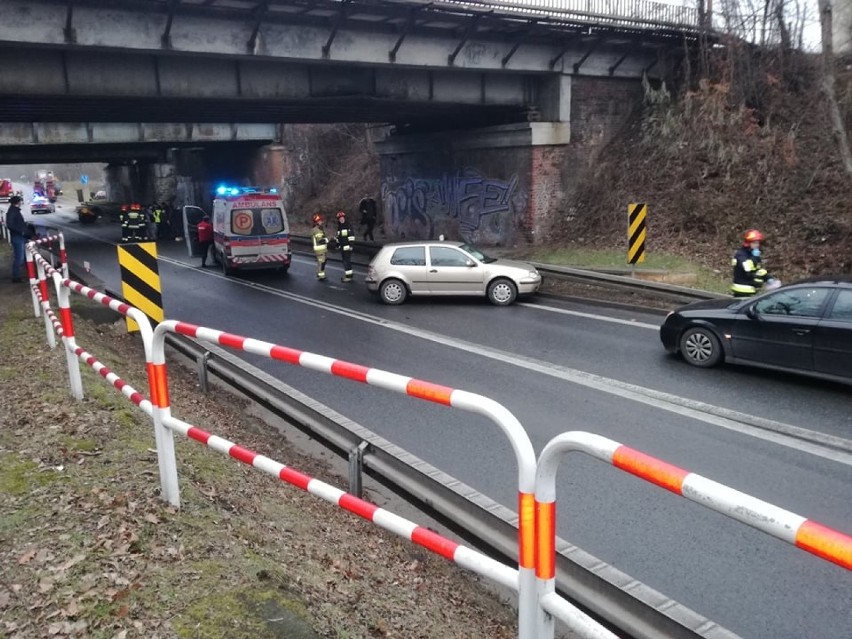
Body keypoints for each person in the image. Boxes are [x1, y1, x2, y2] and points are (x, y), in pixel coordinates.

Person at [731, 229, 769, 297]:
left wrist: (768, 278)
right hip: (741, 291)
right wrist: (755, 257)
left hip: (752, 290)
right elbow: (746, 268)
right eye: (754, 243)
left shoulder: (754, 255)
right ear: (748, 243)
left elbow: (757, 270)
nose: (757, 245)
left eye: (758, 243)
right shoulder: (741, 254)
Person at [5, 195, 29, 283]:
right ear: (17, 202)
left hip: (20, 236)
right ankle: (16, 276)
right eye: (20, 201)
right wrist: (21, 231)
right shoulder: (13, 212)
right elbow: (10, 225)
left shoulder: (14, 211)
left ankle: (27, 274)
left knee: (24, 257)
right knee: (20, 257)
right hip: (18, 237)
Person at [335, 210, 355, 282]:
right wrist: (337, 245)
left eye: (342, 218)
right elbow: (338, 237)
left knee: (346, 262)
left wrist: (351, 245)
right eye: (340, 218)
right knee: (345, 261)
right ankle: (349, 275)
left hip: (347, 247)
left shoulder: (348, 226)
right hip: (342, 248)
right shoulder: (339, 227)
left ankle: (348, 276)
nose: (341, 219)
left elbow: (351, 237)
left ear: (344, 218)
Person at [311, 213, 329, 281]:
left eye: (321, 220)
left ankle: (320, 274)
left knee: (322, 262)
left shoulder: (319, 229)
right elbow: (320, 240)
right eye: (320, 221)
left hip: (322, 249)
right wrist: (328, 239)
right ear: (316, 222)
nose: (321, 222)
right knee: (321, 262)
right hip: (320, 249)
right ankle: (321, 275)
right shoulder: (316, 230)